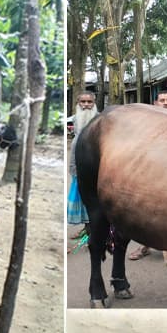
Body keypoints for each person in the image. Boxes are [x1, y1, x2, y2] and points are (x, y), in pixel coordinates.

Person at [128, 90, 167, 262]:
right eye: (162, 100)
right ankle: (144, 246)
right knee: (147, 213)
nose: (166, 103)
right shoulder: (146, 125)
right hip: (151, 175)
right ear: (155, 104)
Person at [67, 91, 98, 240]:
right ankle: (87, 229)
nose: (86, 105)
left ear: (94, 103)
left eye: (89, 102)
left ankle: (98, 233)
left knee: (96, 199)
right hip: (77, 164)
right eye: (83, 102)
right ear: (78, 103)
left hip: (95, 165)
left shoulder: (100, 120)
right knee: (82, 198)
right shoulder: (73, 120)